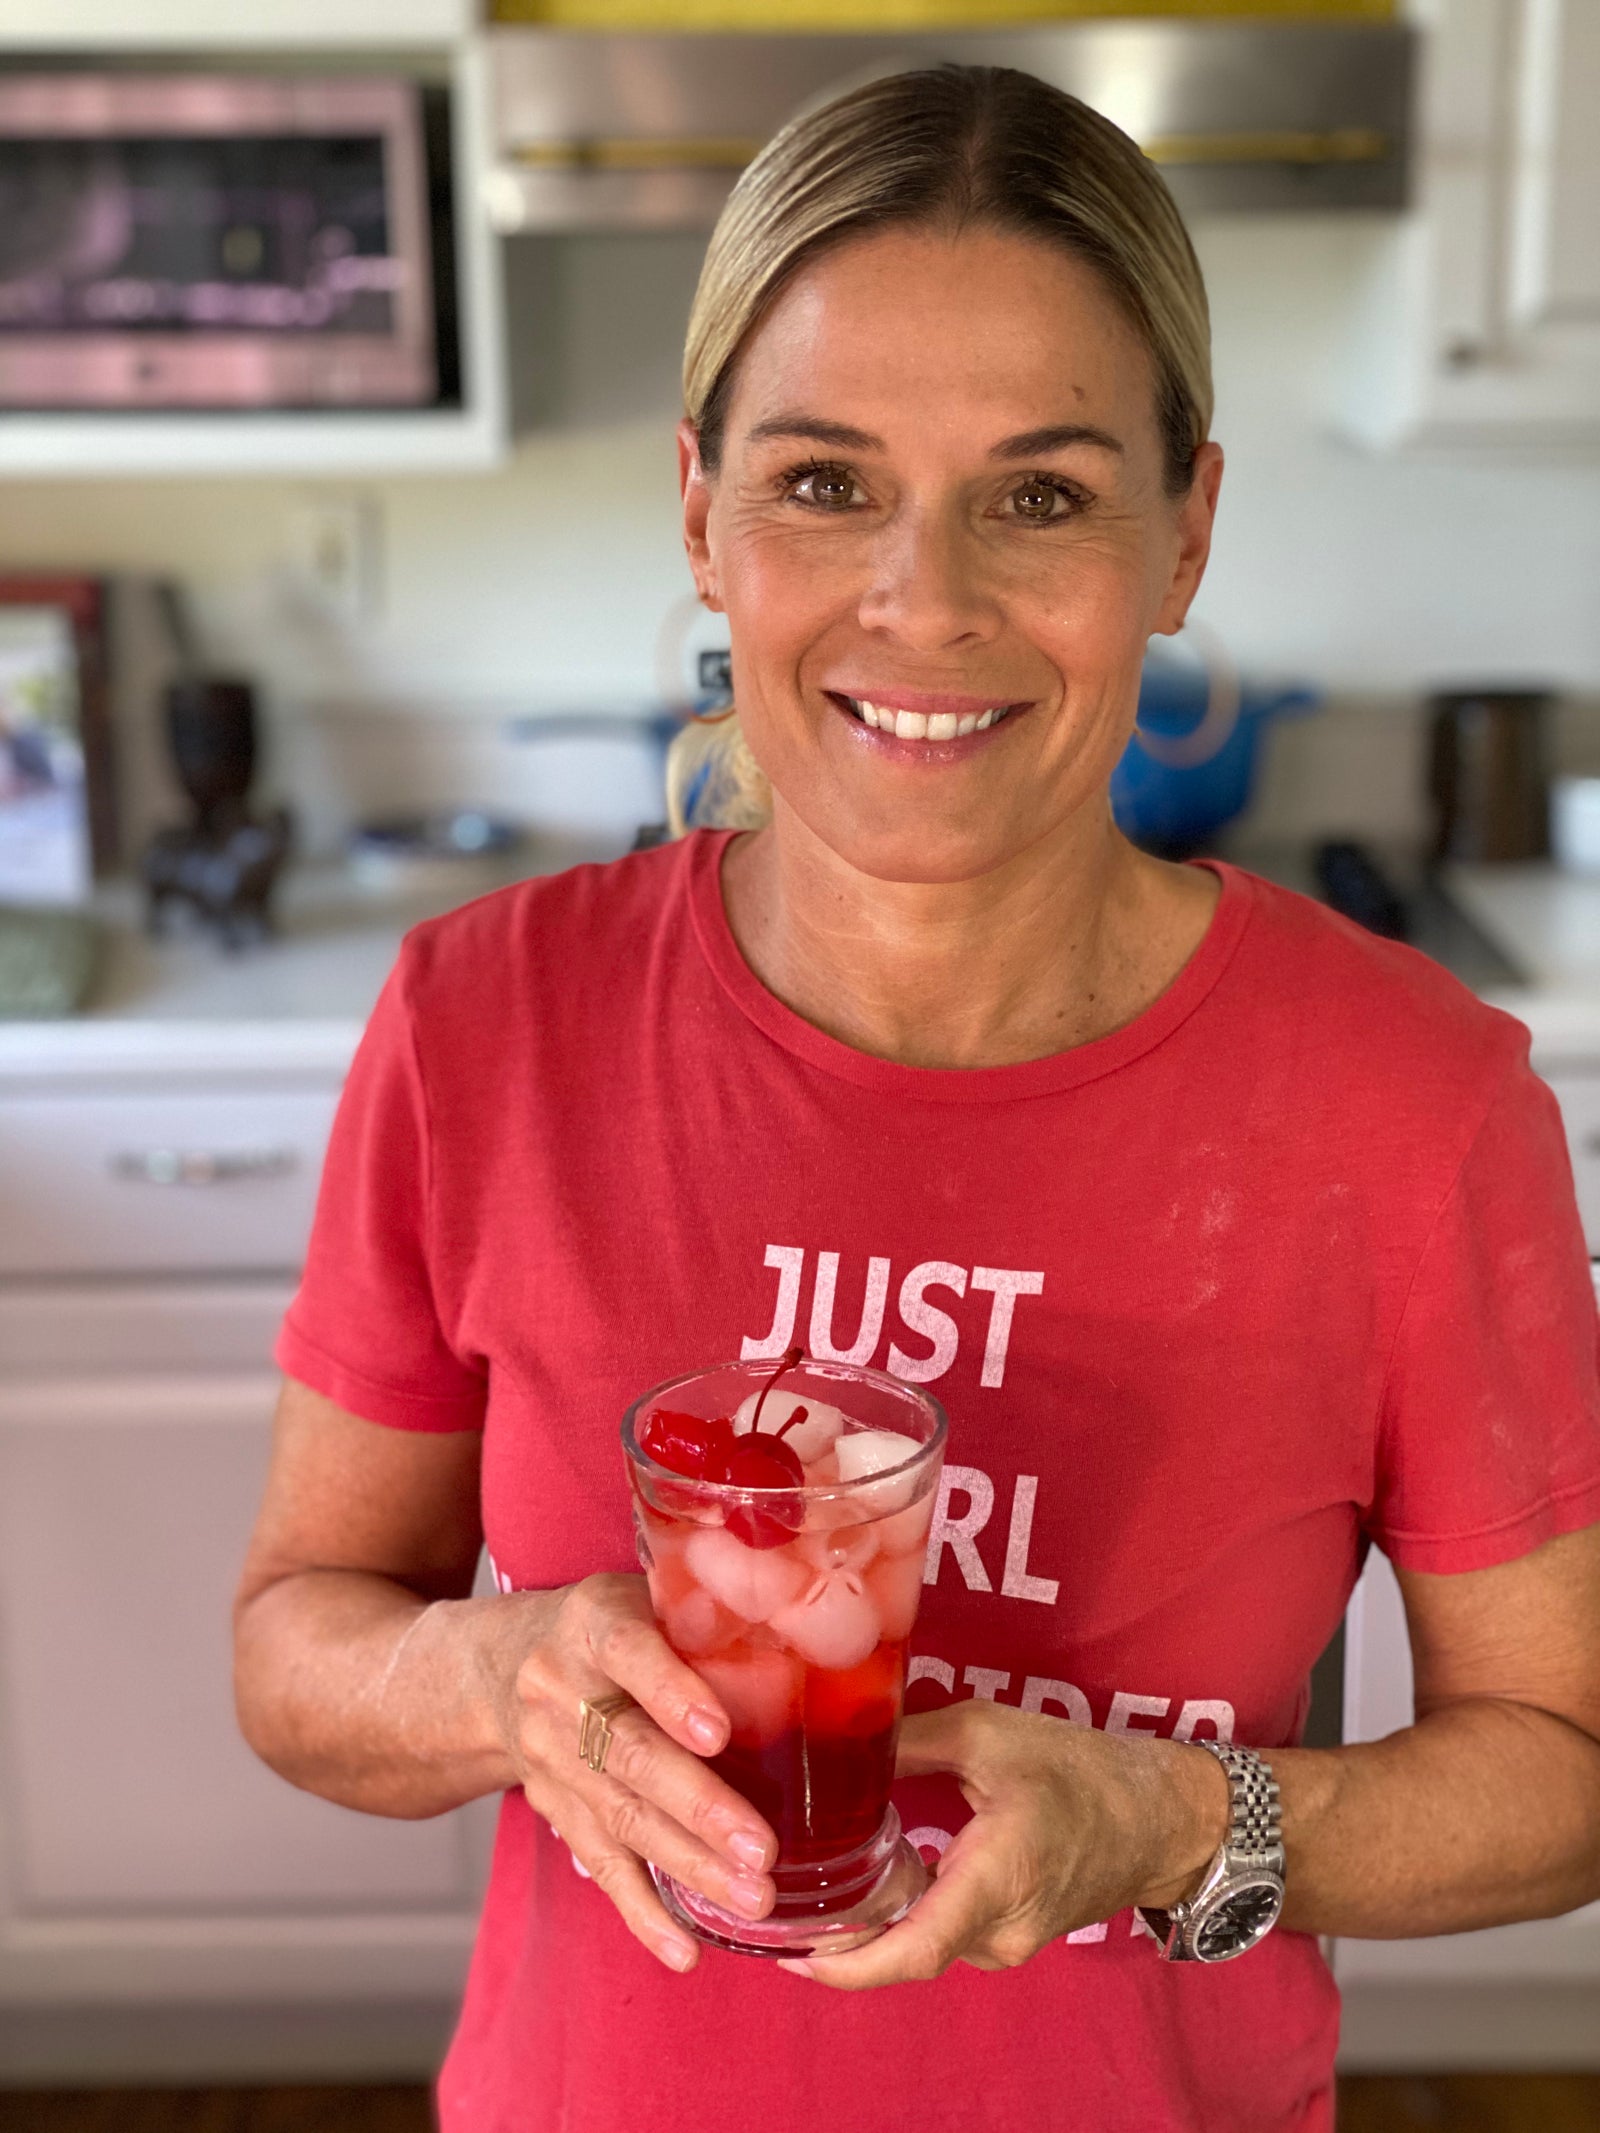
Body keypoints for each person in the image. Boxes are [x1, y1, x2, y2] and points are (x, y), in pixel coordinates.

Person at [233, 65, 1600, 2133]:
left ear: (1182, 532)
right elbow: (296, 1645)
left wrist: (1173, 1822)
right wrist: (494, 1677)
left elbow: (1562, 1774)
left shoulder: (1414, 1105)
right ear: (700, 511)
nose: (925, 599)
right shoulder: (483, 1022)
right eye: (821, 481)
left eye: (1039, 496)